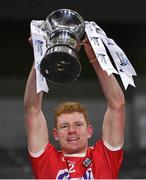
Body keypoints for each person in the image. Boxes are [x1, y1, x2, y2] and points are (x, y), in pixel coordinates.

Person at [24, 36, 125, 179]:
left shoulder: (104, 157)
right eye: (64, 126)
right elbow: (32, 109)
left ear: (89, 130)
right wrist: (39, 58)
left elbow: (117, 105)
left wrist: (95, 58)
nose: (72, 131)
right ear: (56, 134)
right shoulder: (46, 160)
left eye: (78, 124)